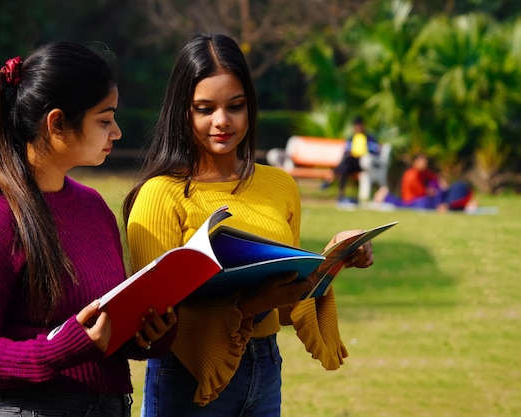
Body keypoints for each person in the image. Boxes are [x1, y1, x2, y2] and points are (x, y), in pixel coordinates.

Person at [122, 33, 374, 417]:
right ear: (182, 111)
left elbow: (288, 302)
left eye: (235, 106)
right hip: (189, 377)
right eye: (204, 108)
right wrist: (256, 303)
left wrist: (335, 257)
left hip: (266, 367)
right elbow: (157, 324)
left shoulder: (280, 185)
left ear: (250, 107)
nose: (221, 121)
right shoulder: (160, 195)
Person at [0, 41, 177, 417]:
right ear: (57, 123)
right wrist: (59, 349)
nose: (116, 132)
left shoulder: (94, 208)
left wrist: (145, 334)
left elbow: (96, 328)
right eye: (104, 119)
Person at [374, 153, 476, 212]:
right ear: (415, 162)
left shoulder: (423, 172)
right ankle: (385, 196)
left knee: (442, 190)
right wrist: (430, 191)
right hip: (413, 199)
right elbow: (419, 191)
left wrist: (440, 183)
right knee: (426, 203)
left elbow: (434, 177)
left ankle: (458, 203)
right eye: (422, 162)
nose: (424, 164)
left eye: (425, 161)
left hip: (422, 198)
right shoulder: (412, 174)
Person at [323, 116, 381, 202]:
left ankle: (331, 177)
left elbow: (376, 150)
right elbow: (346, 151)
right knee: (346, 166)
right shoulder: (352, 138)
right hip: (352, 163)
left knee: (346, 164)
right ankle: (340, 193)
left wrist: (365, 151)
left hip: (363, 163)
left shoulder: (369, 138)